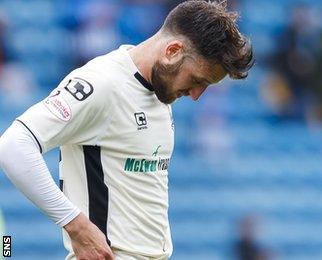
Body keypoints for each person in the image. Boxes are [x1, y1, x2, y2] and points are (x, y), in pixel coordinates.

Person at [0, 1, 253, 259]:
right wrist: (75, 225)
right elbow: (13, 145)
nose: (197, 95)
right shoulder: (102, 83)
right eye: (197, 80)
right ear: (173, 50)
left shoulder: (159, 89)